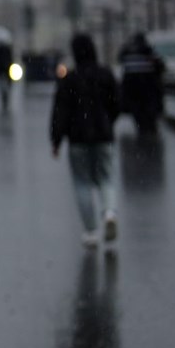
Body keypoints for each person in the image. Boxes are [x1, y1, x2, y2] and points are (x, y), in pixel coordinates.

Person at [51, 34, 120, 247]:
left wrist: (56, 140)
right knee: (106, 178)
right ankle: (109, 212)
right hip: (103, 135)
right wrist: (108, 122)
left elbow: (60, 112)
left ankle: (91, 232)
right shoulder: (105, 75)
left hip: (77, 139)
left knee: (82, 183)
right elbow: (117, 103)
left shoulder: (69, 80)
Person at [117, 32, 166, 135]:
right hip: (148, 88)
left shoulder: (127, 52)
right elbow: (160, 66)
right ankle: (150, 129)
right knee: (149, 111)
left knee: (137, 112)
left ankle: (142, 129)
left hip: (133, 89)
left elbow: (121, 60)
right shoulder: (148, 51)